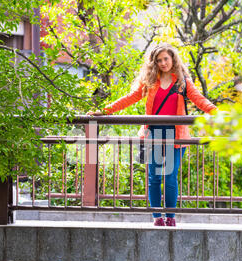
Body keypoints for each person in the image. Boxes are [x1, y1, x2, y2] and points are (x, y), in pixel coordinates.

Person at [88, 43, 217, 227]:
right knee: (155, 177)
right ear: (154, 63)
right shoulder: (149, 81)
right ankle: (157, 217)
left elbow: (200, 100)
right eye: (159, 60)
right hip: (153, 134)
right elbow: (129, 98)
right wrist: (105, 111)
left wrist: (219, 113)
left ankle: (171, 217)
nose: (163, 63)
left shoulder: (182, 82)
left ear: (172, 59)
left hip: (175, 135)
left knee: (170, 176)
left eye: (166, 59)